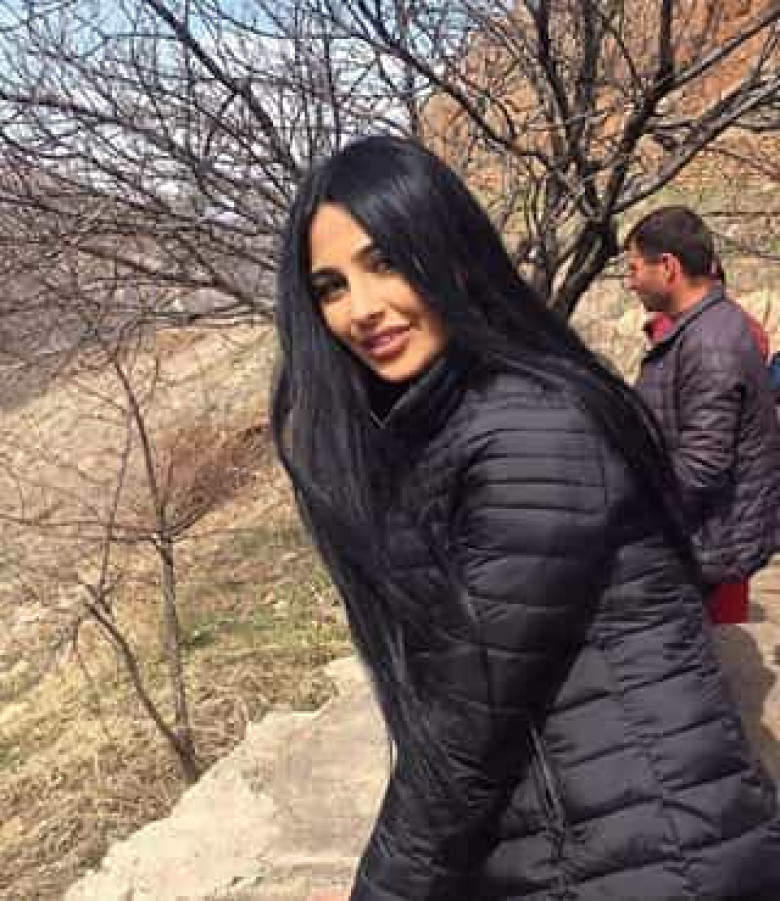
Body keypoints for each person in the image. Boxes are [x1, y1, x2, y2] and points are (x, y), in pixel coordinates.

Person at [272, 136, 780, 901]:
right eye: (331, 286)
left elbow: (462, 740)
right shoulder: (443, 422)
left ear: (451, 253)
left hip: (652, 863)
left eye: (386, 262)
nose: (362, 307)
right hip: (583, 845)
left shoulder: (529, 433)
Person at [626, 207, 780, 626]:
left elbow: (702, 464)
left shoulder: (711, 342)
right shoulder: (698, 330)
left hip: (702, 543)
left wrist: (629, 512)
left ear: (668, 267)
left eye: (634, 268)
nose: (630, 282)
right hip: (693, 538)